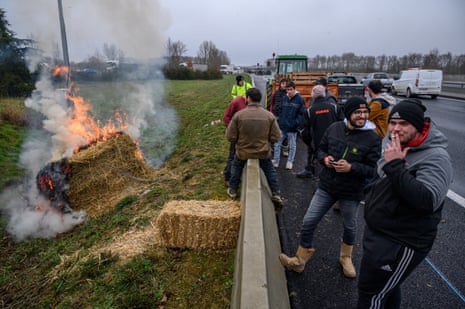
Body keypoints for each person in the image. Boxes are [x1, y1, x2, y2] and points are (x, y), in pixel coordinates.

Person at [357, 99, 453, 308]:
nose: (396, 128)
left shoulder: (436, 157)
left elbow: (428, 201)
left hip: (401, 241)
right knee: (387, 289)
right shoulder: (397, 144)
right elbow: (384, 179)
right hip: (381, 233)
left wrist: (396, 166)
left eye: (404, 123)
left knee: (371, 293)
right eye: (393, 122)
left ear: (418, 127)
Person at [279, 96, 381, 278]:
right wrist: (325, 159)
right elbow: (321, 149)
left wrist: (351, 168)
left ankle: (346, 258)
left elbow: (373, 169)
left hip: (351, 191)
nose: (362, 116)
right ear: (349, 113)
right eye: (358, 112)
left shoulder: (372, 138)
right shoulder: (334, 128)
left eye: (365, 112)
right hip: (327, 186)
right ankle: (300, 260)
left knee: (350, 226)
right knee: (309, 221)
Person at [226, 88, 283, 205]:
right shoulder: (269, 115)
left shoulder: (239, 115)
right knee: (270, 170)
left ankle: (232, 190)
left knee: (236, 167)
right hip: (262, 152)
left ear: (248, 99)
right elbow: (276, 137)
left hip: (243, 152)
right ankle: (276, 193)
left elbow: (230, 137)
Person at [297, 85, 342, 178]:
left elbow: (304, 131)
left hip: (317, 145)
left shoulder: (309, 111)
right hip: (334, 142)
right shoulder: (335, 108)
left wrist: (310, 143)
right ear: (324, 94)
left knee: (320, 172)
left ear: (313, 95)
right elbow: (343, 124)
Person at [272, 81, 305, 170]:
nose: (289, 91)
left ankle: (290, 162)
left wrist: (295, 123)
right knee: (277, 143)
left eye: (291, 89)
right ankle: (276, 160)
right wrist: (280, 121)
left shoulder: (299, 100)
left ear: (295, 89)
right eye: (288, 89)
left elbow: (301, 114)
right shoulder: (284, 98)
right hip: (282, 126)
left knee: (292, 145)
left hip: (292, 128)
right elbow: (280, 110)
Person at [222, 95, 247, 187]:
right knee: (232, 156)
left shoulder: (251, 104)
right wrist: (232, 130)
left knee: (240, 157)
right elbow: (226, 117)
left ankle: (236, 176)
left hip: (244, 136)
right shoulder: (236, 102)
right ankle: (228, 177)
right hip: (236, 135)